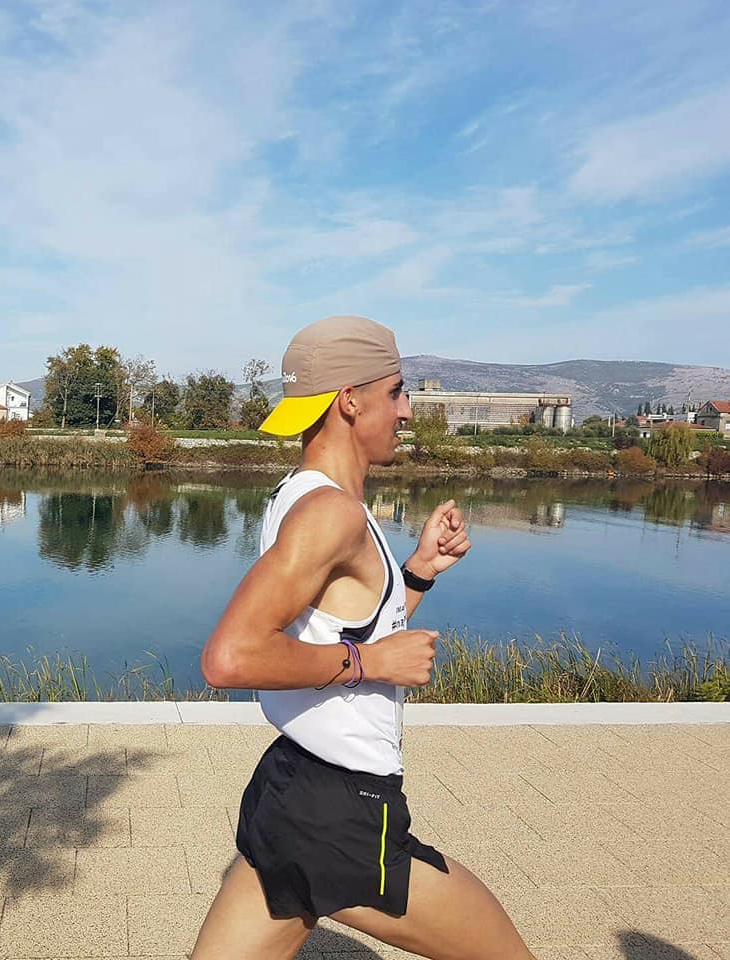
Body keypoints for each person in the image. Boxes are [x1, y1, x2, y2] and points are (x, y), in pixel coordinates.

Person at [192, 316, 536, 960]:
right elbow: (231, 657)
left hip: (292, 791)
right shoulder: (331, 513)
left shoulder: (306, 496)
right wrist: (370, 661)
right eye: (397, 392)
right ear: (350, 400)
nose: (407, 411)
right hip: (342, 813)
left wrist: (418, 572)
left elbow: (337, 622)